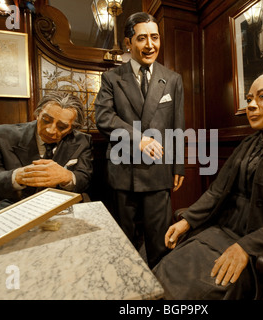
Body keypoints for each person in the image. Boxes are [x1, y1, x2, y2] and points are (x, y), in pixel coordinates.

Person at [153, 71, 263, 300]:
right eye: (249, 99)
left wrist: (245, 247)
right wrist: (188, 220)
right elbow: (217, 191)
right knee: (163, 274)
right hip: (220, 234)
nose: (251, 105)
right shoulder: (249, 143)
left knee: (201, 292)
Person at [94, 12, 185, 268]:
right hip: (124, 174)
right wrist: (139, 139)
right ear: (128, 43)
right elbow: (103, 118)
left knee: (159, 243)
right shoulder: (112, 78)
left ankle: (160, 291)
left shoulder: (173, 79)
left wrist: (178, 165)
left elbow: (177, 124)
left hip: (158, 173)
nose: (150, 45)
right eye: (142, 38)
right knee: (125, 243)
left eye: (154, 37)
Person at [0, 91, 93, 211]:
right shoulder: (1, 136)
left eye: (62, 127)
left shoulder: (82, 141)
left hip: (62, 207)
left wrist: (67, 177)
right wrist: (17, 177)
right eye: (46, 120)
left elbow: (84, 179)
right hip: (16, 207)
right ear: (38, 114)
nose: (51, 131)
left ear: (72, 128)